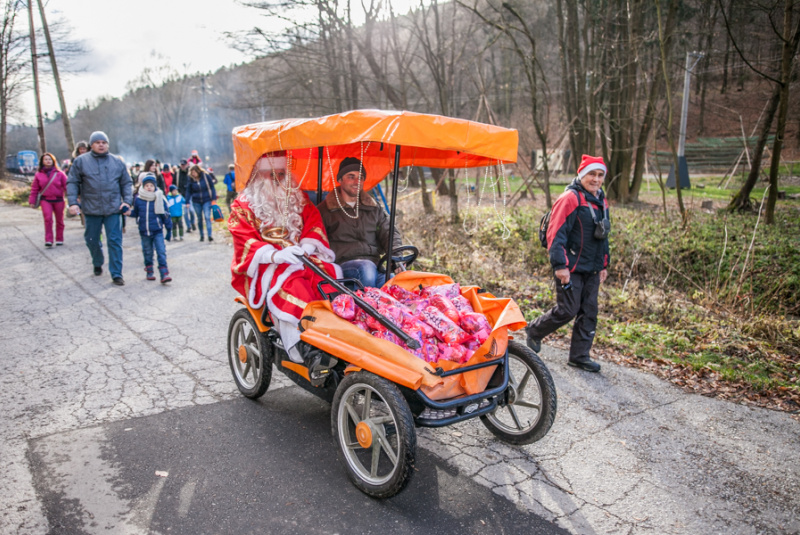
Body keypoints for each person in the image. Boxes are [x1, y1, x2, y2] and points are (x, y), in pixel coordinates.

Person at [228, 152, 341, 371]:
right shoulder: (243, 205)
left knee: (327, 276)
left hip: (300, 256)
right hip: (265, 266)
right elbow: (243, 239)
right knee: (294, 287)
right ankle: (307, 348)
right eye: (272, 175)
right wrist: (273, 255)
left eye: (282, 174)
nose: (278, 180)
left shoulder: (297, 197)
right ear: (258, 176)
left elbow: (313, 221)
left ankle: (338, 335)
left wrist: (308, 245)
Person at [525, 155, 611, 373]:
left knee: (589, 311)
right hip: (570, 267)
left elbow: (603, 235)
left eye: (600, 175)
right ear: (582, 175)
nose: (596, 179)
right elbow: (556, 234)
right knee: (568, 310)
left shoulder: (601, 199)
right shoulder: (570, 198)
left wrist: (604, 264)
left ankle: (579, 356)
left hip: (591, 267)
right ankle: (534, 330)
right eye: (592, 174)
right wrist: (560, 266)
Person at [317, 157, 403, 288]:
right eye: (351, 176)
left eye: (361, 177)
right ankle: (364, 307)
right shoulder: (325, 210)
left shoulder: (373, 208)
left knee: (393, 282)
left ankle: (384, 308)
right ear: (340, 180)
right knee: (366, 269)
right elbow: (316, 242)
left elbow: (389, 233)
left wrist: (396, 256)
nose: (357, 181)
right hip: (342, 265)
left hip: (374, 264)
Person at [67, 131, 133, 286]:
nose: (101, 144)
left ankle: (117, 273)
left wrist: (127, 202)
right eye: (97, 142)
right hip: (91, 209)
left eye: (104, 142)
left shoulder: (117, 162)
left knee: (115, 241)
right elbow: (72, 182)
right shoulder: (81, 162)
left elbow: (126, 183)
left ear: (108, 144)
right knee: (92, 240)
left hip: (113, 209)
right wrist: (73, 203)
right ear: (92, 145)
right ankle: (97, 261)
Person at [129, 173, 172, 283]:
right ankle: (149, 271)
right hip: (144, 231)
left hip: (157, 230)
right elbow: (136, 213)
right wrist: (129, 213)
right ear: (143, 186)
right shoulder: (138, 199)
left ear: (155, 187)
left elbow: (165, 214)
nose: (149, 187)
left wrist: (169, 229)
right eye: (147, 185)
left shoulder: (159, 198)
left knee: (161, 251)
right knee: (147, 252)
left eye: (151, 186)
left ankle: (164, 273)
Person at [28, 152, 68, 247]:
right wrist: (32, 201)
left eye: (49, 159)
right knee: (48, 219)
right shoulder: (38, 175)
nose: (48, 161)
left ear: (53, 161)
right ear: (42, 162)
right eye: (45, 159)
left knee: (60, 220)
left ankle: (59, 238)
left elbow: (67, 187)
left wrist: (73, 199)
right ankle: (49, 240)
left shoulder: (60, 174)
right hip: (45, 200)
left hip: (59, 200)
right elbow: (34, 189)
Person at [186, 164, 217, 242]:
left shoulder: (206, 176)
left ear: (198, 171)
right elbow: (188, 191)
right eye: (192, 172)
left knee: (207, 217)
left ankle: (209, 235)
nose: (193, 174)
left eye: (194, 172)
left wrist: (213, 198)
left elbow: (212, 187)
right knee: (199, 218)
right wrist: (187, 201)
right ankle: (201, 235)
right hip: (196, 201)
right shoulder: (190, 179)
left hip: (207, 199)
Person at [175, 159, 196, 233]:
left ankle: (193, 222)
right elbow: (174, 183)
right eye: (182, 165)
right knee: (185, 213)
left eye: (184, 165)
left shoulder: (190, 173)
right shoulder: (177, 174)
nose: (183, 166)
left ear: (186, 165)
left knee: (191, 211)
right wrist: (177, 192)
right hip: (181, 195)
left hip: (190, 194)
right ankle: (188, 226)